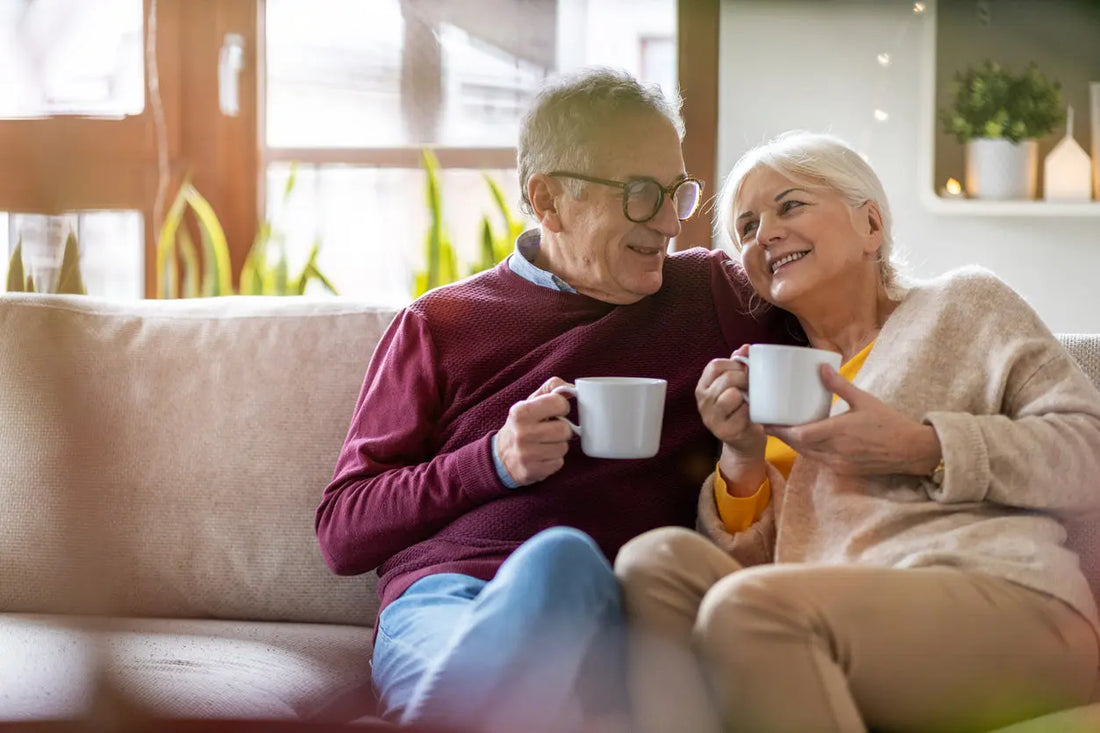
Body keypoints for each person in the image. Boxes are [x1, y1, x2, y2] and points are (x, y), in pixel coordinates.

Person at [314, 68, 795, 733]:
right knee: (556, 563)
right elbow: (342, 531)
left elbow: (855, 307)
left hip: (614, 613)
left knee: (569, 565)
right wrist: (492, 460)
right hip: (450, 604)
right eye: (638, 193)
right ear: (548, 201)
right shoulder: (440, 324)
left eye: (675, 192)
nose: (666, 222)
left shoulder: (712, 294)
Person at [615, 131, 1100, 733]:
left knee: (753, 611)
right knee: (654, 562)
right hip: (819, 616)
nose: (763, 233)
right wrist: (741, 454)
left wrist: (925, 448)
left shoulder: (965, 305)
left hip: (1010, 602)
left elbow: (1090, 450)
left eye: (789, 206)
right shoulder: (775, 383)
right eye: (745, 228)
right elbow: (777, 569)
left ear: (870, 225)